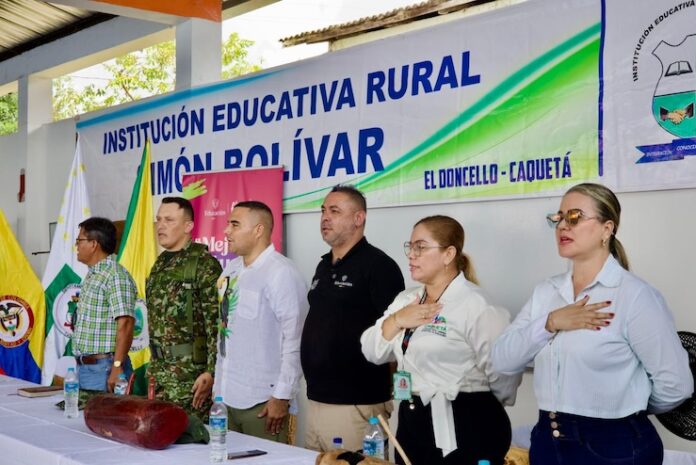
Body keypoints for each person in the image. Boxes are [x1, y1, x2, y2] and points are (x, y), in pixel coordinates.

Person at [492, 183, 694, 465]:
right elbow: (502, 359)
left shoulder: (634, 296)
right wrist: (550, 322)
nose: (563, 225)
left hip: (616, 446)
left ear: (606, 228)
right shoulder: (546, 293)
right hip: (548, 443)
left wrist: (628, 404)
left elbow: (676, 384)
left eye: (575, 217)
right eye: (558, 217)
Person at [361, 215, 519, 465]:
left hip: (467, 419)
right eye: (410, 247)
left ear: (448, 254)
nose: (411, 255)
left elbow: (504, 371)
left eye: (421, 247)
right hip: (413, 417)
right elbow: (372, 351)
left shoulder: (476, 305)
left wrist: (474, 401)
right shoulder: (406, 300)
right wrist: (398, 320)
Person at [301, 185, 405, 452]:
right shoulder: (324, 265)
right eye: (323, 211)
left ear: (359, 218)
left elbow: (396, 335)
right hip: (317, 398)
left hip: (356, 403)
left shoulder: (379, 266)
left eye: (334, 211)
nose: (325, 218)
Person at [213, 201, 308, 442]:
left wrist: (282, 396)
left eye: (235, 224)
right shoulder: (230, 270)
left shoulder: (281, 272)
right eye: (228, 224)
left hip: (263, 403)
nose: (226, 231)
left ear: (258, 230)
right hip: (226, 397)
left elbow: (296, 339)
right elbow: (224, 334)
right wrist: (217, 390)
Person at [146, 197, 222, 420]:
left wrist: (211, 372)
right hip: (159, 372)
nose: (161, 226)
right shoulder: (161, 262)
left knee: (189, 435)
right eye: (159, 219)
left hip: (189, 379)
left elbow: (217, 325)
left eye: (169, 220)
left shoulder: (204, 264)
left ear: (188, 226)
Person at [73, 217, 136, 392]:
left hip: (105, 368)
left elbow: (126, 323)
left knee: (106, 411)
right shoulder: (94, 275)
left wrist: (117, 366)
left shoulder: (115, 275)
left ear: (94, 244)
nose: (76, 245)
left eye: (79, 240)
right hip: (87, 368)